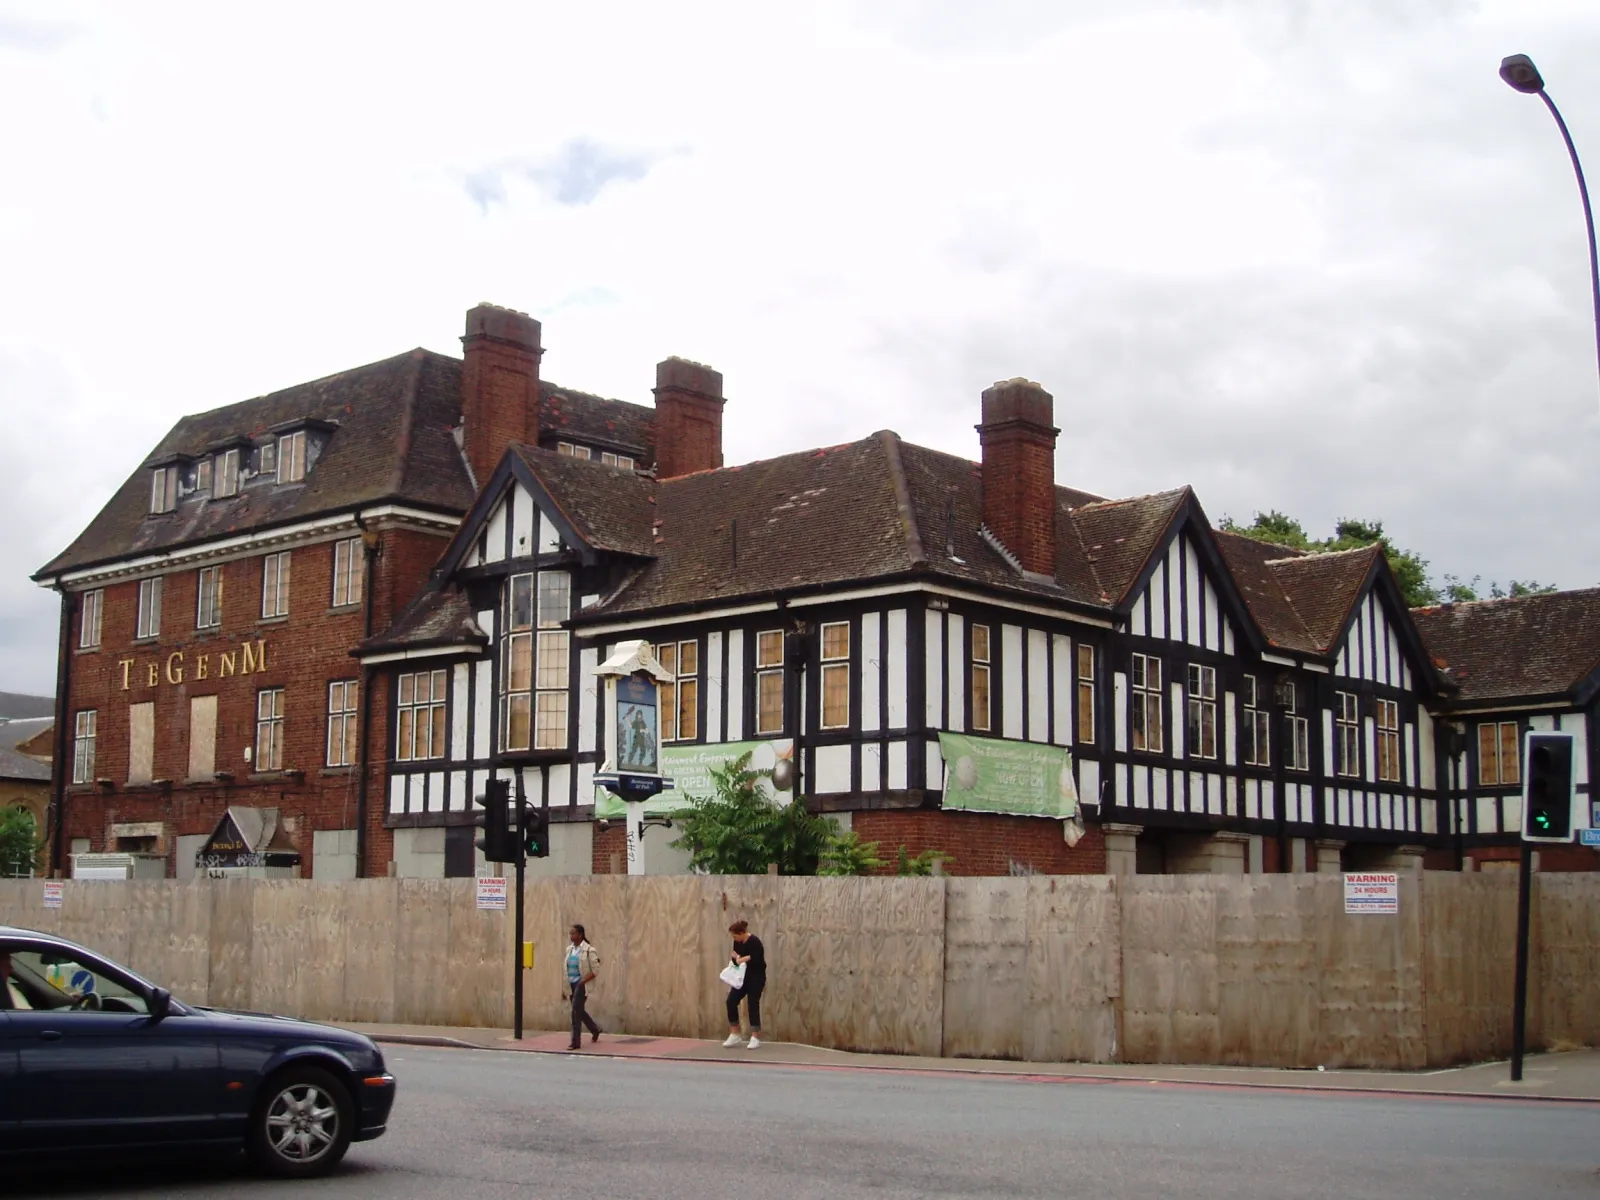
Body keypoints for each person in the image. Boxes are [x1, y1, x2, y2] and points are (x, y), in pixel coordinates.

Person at [722, 919, 766, 1050]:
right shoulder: (737, 942)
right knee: (731, 1001)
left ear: (742, 933)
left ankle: (755, 1036)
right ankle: (735, 1033)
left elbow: (757, 959)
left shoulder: (755, 942)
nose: (734, 939)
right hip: (742, 977)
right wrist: (735, 959)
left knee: (752, 1003)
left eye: (735, 936)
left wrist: (744, 959)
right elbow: (737, 960)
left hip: (756, 977)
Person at [564, 924, 602, 1050]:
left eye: (573, 933)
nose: (571, 936)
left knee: (575, 1013)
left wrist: (582, 981)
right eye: (570, 933)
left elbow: (595, 970)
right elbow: (567, 968)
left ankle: (575, 1042)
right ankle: (595, 1029)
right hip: (571, 984)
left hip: (581, 985)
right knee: (579, 1011)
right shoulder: (569, 949)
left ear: (580, 935)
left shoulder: (589, 950)